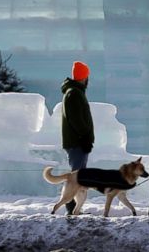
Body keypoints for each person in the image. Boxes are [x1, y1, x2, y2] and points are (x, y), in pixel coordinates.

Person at [60, 60, 94, 215]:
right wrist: (85, 137)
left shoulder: (75, 92)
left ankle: (74, 208)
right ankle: (71, 208)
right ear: (84, 77)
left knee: (78, 176)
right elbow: (76, 119)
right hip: (77, 142)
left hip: (78, 141)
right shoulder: (74, 93)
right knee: (76, 176)